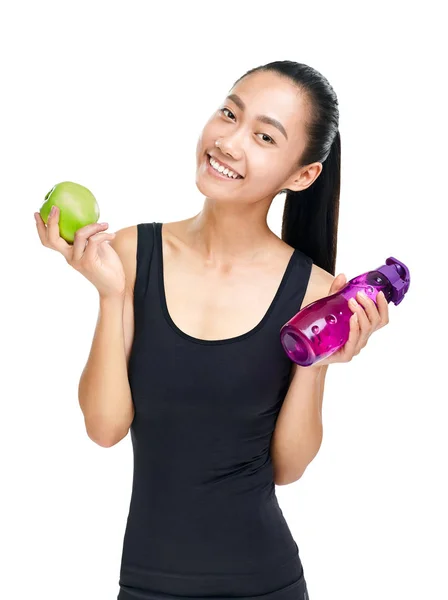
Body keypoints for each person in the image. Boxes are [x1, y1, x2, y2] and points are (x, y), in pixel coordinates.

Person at [35, 60, 389, 600]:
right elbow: (104, 428)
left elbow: (288, 469)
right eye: (229, 113)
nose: (229, 141)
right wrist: (110, 294)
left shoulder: (315, 293)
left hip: (265, 584)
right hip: (148, 584)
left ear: (302, 176)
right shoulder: (131, 255)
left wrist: (315, 361)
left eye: (264, 136)